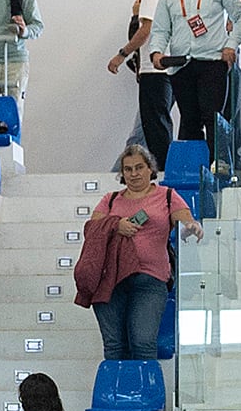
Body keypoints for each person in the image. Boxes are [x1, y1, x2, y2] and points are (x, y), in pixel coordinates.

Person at [80, 141, 195, 363]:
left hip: (150, 280)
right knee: (114, 347)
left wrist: (192, 227)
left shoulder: (167, 195)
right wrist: (116, 224)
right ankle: (117, 396)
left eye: (139, 167)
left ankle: (146, 396)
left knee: (143, 343)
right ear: (122, 173)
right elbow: (91, 230)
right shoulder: (110, 199)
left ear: (150, 169)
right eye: (128, 169)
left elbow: (186, 222)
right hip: (111, 281)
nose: (134, 174)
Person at [148, 0, 241, 155]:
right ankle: (193, 172)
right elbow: (161, 29)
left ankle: (218, 169)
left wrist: (231, 46)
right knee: (189, 121)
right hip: (182, 65)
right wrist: (156, 53)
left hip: (212, 62)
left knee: (213, 118)